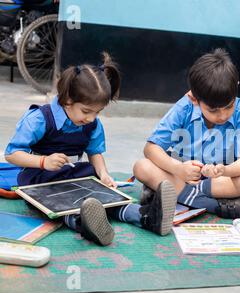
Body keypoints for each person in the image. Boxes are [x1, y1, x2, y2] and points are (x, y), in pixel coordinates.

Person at [5, 52, 176, 246]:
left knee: (103, 195)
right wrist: (43, 161)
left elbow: (94, 152)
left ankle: (147, 217)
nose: (92, 118)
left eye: (98, 112)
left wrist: (104, 174)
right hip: (39, 178)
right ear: (67, 100)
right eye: (86, 111)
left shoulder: (92, 124)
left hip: (73, 174)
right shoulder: (39, 119)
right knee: (63, 204)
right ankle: (83, 223)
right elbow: (11, 154)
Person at [134, 48, 240, 222]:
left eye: (228, 106)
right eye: (213, 110)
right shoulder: (184, 107)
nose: (222, 115)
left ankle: (173, 194)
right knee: (141, 166)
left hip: (217, 180)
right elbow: (150, 148)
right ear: (194, 98)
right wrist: (178, 168)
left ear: (236, 87)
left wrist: (225, 170)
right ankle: (212, 205)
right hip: (182, 173)